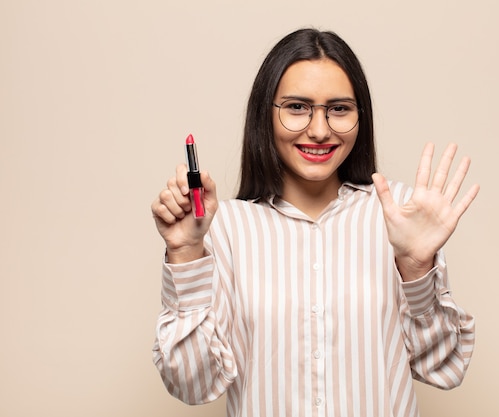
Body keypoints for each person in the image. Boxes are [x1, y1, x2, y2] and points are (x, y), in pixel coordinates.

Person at [151, 28, 480, 417]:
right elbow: (192, 384)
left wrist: (416, 269)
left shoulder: (399, 215)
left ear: (361, 117)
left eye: (339, 109)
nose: (320, 130)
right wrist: (187, 253)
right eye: (297, 107)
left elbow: (443, 367)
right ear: (265, 114)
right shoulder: (224, 229)